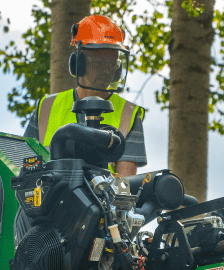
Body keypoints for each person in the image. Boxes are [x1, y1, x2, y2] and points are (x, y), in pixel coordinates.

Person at [23, 15, 147, 176]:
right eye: (99, 62)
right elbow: (23, 167)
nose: (107, 70)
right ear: (78, 63)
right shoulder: (46, 108)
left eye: (112, 64)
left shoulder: (129, 114)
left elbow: (126, 184)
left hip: (101, 193)